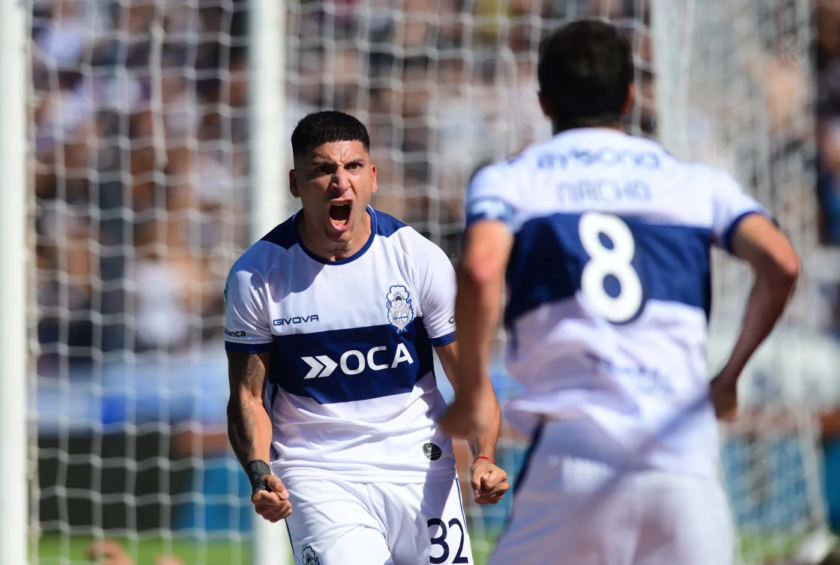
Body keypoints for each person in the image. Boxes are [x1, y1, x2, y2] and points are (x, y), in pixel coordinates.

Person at [442, 20, 800, 565]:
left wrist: (471, 390)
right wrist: (728, 377)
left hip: (575, 456)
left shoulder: (511, 179)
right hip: (684, 464)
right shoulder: (696, 182)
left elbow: (480, 269)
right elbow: (782, 263)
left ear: (544, 101)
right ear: (630, 98)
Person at [224, 111, 508, 565]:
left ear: (372, 176)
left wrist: (484, 456)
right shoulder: (257, 276)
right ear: (295, 183)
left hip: (420, 466)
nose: (341, 183)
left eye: (353, 166)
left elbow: (469, 380)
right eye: (323, 170)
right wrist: (260, 474)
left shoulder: (417, 258)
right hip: (318, 472)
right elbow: (247, 397)